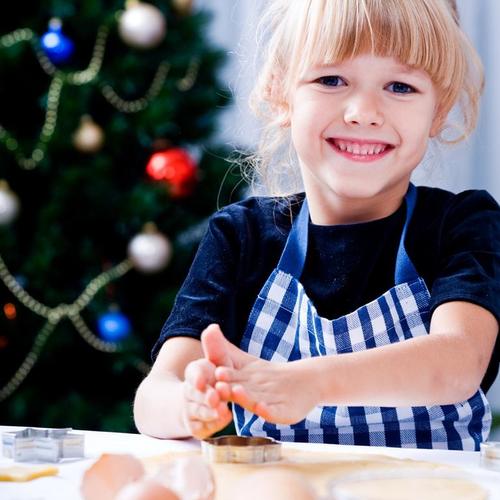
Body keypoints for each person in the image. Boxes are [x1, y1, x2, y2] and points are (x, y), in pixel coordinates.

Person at [134, 0, 500, 450]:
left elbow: (459, 363)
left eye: (400, 86)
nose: (363, 111)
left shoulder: (463, 224)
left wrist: (311, 383)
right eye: (331, 79)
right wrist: (188, 403)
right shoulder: (242, 236)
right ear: (280, 92)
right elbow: (153, 394)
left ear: (438, 112)